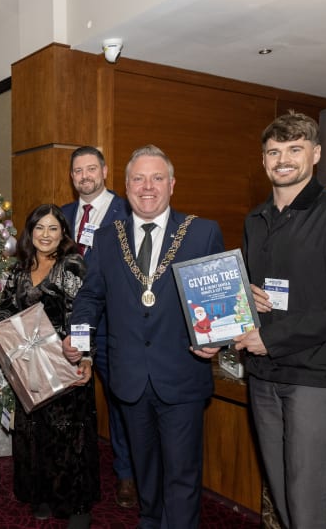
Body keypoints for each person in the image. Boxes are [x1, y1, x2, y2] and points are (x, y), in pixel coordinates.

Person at [64, 144, 224, 529]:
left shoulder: (202, 232)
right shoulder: (106, 237)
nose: (147, 187)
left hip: (183, 372)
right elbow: (90, 297)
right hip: (129, 376)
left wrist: (220, 337)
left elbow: (218, 299)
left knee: (183, 474)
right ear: (126, 185)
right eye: (138, 178)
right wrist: (80, 344)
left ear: (172, 184)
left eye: (156, 178)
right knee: (145, 470)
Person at [232, 112, 326, 529]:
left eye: (294, 149)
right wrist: (248, 297)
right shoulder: (255, 220)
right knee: (281, 493)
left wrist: (274, 337)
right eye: (274, 151)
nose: (283, 159)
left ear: (314, 154)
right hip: (263, 374)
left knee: (309, 499)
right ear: (263, 160)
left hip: (316, 376)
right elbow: (262, 290)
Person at [0, 204, 99, 529]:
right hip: (29, 366)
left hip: (67, 364)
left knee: (68, 438)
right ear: (29, 233)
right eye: (39, 228)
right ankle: (42, 495)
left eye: (52, 228)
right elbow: (6, 309)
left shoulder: (72, 265)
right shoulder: (19, 269)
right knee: (36, 433)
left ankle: (77, 505)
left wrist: (85, 356)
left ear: (63, 233)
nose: (45, 235)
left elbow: (84, 315)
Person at [60, 146, 135, 508]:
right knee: (69, 402)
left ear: (105, 171)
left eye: (91, 169)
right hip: (71, 327)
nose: (85, 176)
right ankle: (70, 471)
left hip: (114, 327)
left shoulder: (129, 212)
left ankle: (126, 474)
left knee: (120, 402)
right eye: (78, 171)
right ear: (72, 176)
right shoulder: (63, 215)